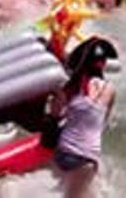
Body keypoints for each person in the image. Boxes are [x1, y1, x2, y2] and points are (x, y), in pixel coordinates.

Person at [50, 37, 117, 198]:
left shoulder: (70, 86)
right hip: (86, 160)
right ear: (103, 64)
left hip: (62, 154)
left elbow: (54, 114)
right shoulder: (110, 89)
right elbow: (103, 123)